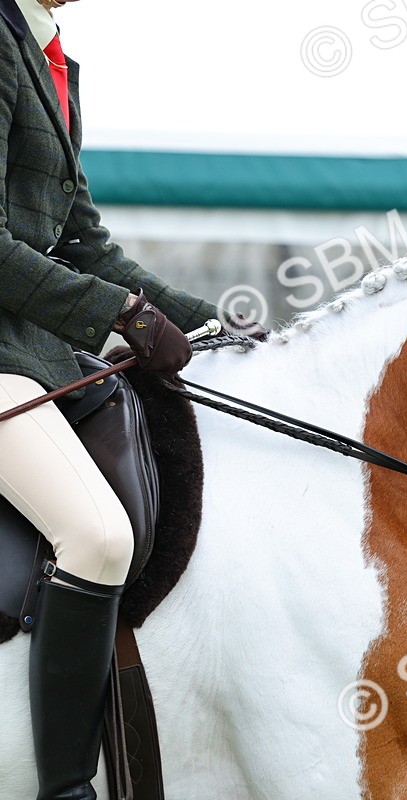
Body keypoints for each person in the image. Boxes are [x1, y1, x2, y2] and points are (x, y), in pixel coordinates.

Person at [0, 1, 227, 796]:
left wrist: (206, 322)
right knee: (96, 536)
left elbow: (80, 241)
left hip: (30, 355)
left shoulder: (51, 51)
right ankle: (65, 788)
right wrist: (119, 316)